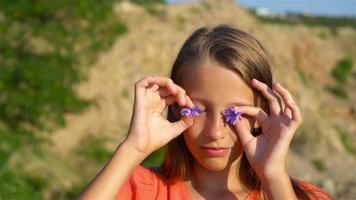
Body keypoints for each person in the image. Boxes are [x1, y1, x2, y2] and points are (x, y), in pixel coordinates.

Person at [78, 24, 332, 200]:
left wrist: (274, 177)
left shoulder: (304, 197)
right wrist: (133, 148)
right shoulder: (139, 189)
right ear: (176, 107)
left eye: (234, 112)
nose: (214, 132)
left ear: (263, 110)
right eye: (198, 109)